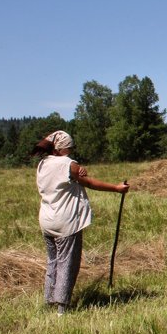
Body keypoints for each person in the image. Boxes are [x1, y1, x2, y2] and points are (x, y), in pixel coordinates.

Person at [31, 130, 129, 316]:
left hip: (46, 220)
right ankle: (62, 307)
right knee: (68, 263)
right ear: (61, 148)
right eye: (69, 147)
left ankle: (49, 300)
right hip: (65, 221)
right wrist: (117, 188)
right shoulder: (69, 164)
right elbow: (90, 182)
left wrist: (77, 171)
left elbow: (68, 181)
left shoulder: (42, 164)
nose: (71, 151)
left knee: (53, 262)